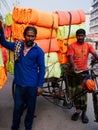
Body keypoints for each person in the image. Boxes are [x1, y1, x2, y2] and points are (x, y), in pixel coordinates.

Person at [0, 20, 45, 130]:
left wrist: (40, 86)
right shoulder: (17, 46)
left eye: (32, 36)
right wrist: (1, 29)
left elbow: (42, 69)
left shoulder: (39, 51)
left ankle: (28, 127)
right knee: (17, 108)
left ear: (35, 37)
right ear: (24, 36)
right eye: (28, 36)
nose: (30, 38)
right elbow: (4, 43)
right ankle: (15, 127)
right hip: (19, 85)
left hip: (32, 86)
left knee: (30, 109)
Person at [66, 28, 98, 123]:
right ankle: (77, 111)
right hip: (74, 73)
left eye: (82, 35)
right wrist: (74, 65)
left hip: (84, 73)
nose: (80, 37)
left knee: (83, 95)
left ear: (84, 36)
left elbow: (94, 54)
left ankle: (84, 113)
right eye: (78, 35)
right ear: (76, 36)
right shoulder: (72, 46)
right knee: (75, 94)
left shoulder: (88, 46)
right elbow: (71, 57)